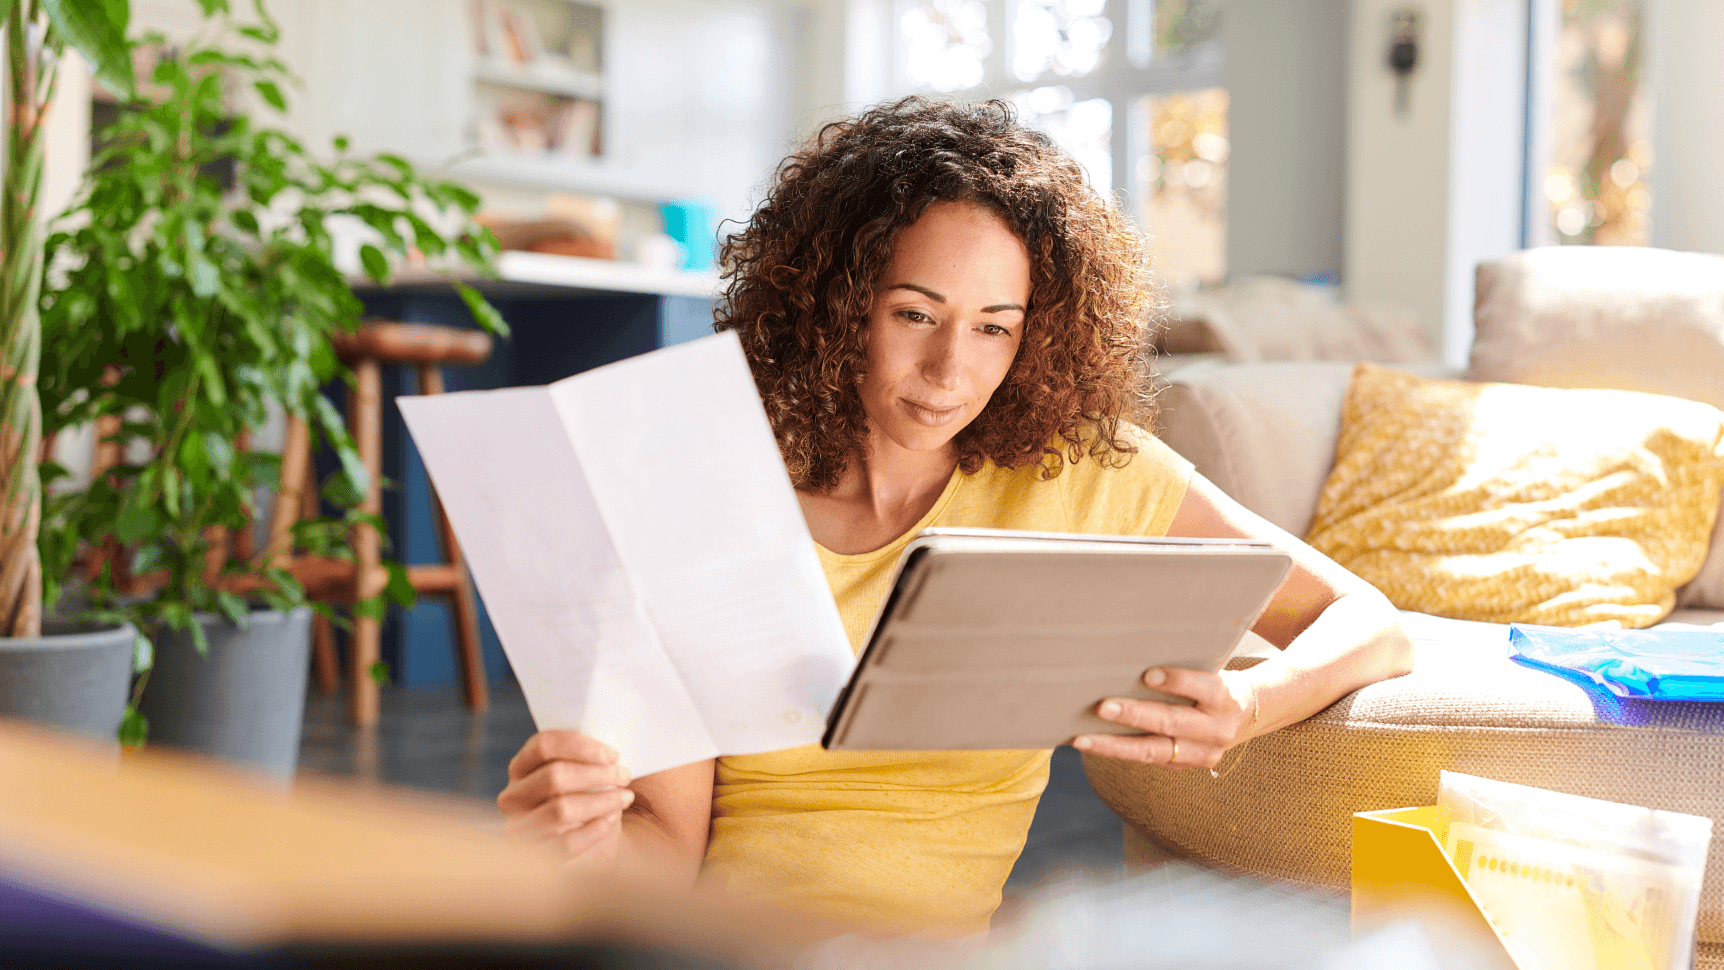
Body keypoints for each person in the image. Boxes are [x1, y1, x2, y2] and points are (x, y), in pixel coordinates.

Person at [497, 97, 1413, 936]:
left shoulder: (1081, 471)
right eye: (914, 314)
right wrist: (582, 837)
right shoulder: (708, 494)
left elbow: (1368, 622)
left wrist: (1250, 704)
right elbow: (665, 853)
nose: (949, 373)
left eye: (994, 327)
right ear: (836, 302)